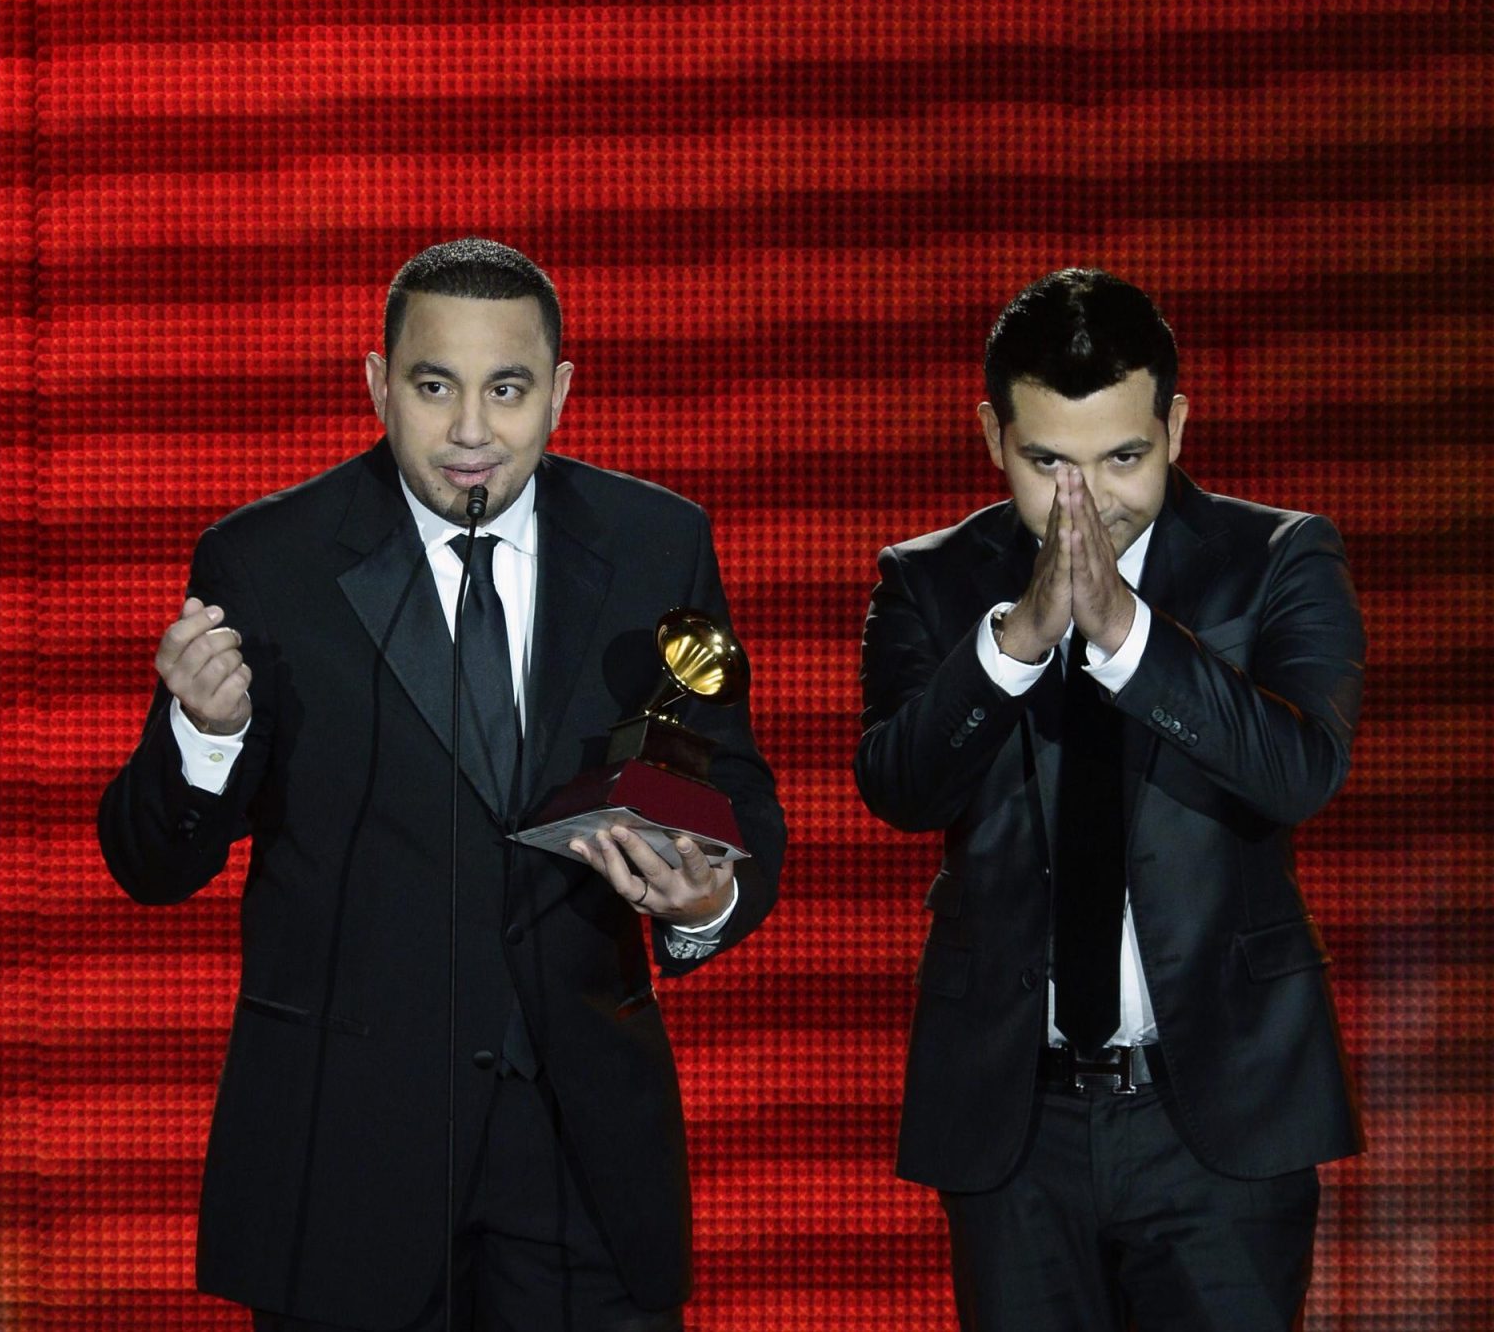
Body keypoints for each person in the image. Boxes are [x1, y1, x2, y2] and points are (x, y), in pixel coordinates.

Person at [98, 237, 786, 1332]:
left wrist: (705, 899)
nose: (472, 430)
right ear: (379, 384)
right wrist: (204, 732)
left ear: (559, 391)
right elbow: (151, 859)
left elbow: (738, 805)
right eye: (435, 386)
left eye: (506, 388)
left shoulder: (657, 545)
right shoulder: (267, 562)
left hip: (581, 1159)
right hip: (347, 1151)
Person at [854, 268, 1363, 1332]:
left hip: (1219, 1113)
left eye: (1123, 456)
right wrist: (1018, 641)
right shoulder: (930, 581)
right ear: (992, 434)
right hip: (1013, 1119)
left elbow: (1299, 767)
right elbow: (900, 784)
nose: (1086, 499)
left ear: (1176, 423)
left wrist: (1126, 633)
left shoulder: (1276, 559)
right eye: (1049, 461)